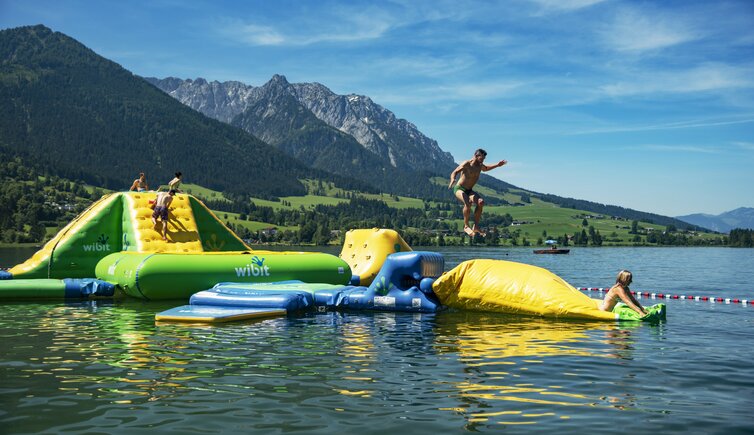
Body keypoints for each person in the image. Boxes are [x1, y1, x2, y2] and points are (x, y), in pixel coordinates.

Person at [448, 148, 507, 236]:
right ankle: (466, 226)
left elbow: (486, 168)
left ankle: (475, 226)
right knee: (467, 203)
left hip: (469, 191)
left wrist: (497, 165)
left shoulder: (480, 165)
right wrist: (452, 180)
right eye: (481, 158)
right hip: (459, 188)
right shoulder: (467, 164)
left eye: (483, 159)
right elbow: (455, 172)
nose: (482, 161)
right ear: (476, 156)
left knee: (481, 202)